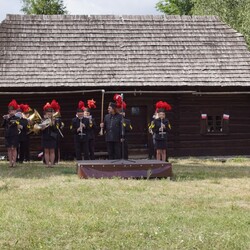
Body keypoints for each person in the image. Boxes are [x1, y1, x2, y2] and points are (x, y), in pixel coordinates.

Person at [1, 99, 20, 167]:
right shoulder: (6, 118)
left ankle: (14, 162)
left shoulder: (17, 118)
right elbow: (2, 125)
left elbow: (14, 124)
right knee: (9, 149)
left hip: (14, 135)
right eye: (10, 111)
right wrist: (4, 119)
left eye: (12, 110)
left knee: (14, 148)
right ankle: (10, 162)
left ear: (15, 111)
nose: (11, 112)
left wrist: (8, 118)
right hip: (7, 135)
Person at [40, 102, 58, 167]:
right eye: (48, 112)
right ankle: (47, 164)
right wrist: (42, 128)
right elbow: (40, 130)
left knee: (52, 151)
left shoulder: (55, 120)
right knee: (46, 151)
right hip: (45, 136)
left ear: (52, 113)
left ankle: (52, 164)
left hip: (52, 137)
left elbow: (56, 129)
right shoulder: (43, 120)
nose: (49, 113)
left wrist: (53, 123)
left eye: (50, 112)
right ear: (46, 113)